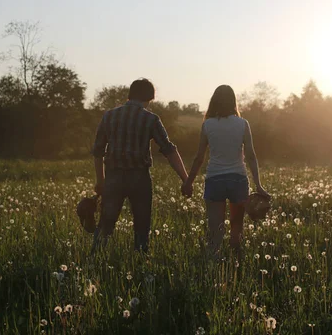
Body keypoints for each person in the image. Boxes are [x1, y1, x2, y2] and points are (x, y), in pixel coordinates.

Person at [91, 79, 188, 253]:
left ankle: (94, 261)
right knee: (142, 227)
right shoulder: (150, 119)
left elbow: (98, 151)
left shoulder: (109, 116)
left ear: (130, 95)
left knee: (106, 224)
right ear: (149, 98)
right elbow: (169, 150)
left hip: (113, 177)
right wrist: (185, 179)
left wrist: (100, 180)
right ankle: (141, 263)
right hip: (139, 178)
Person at [182, 85, 270, 258]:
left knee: (215, 232)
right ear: (233, 101)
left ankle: (212, 269)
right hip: (238, 180)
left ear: (213, 101)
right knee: (236, 231)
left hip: (215, 180)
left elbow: (199, 157)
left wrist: (188, 182)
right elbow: (251, 156)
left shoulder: (207, 125)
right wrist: (258, 185)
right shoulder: (243, 124)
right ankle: (236, 266)